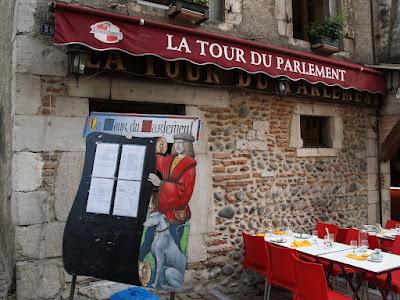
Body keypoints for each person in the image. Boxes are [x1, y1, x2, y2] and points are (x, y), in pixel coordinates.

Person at [147, 133, 197, 245]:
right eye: (177, 142)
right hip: (161, 210)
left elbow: (183, 191)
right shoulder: (170, 159)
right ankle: (141, 261)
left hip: (176, 214)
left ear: (188, 145)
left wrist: (160, 184)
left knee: (173, 245)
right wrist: (158, 147)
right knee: (148, 239)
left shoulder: (190, 168)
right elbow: (159, 161)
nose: (178, 145)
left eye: (182, 143)